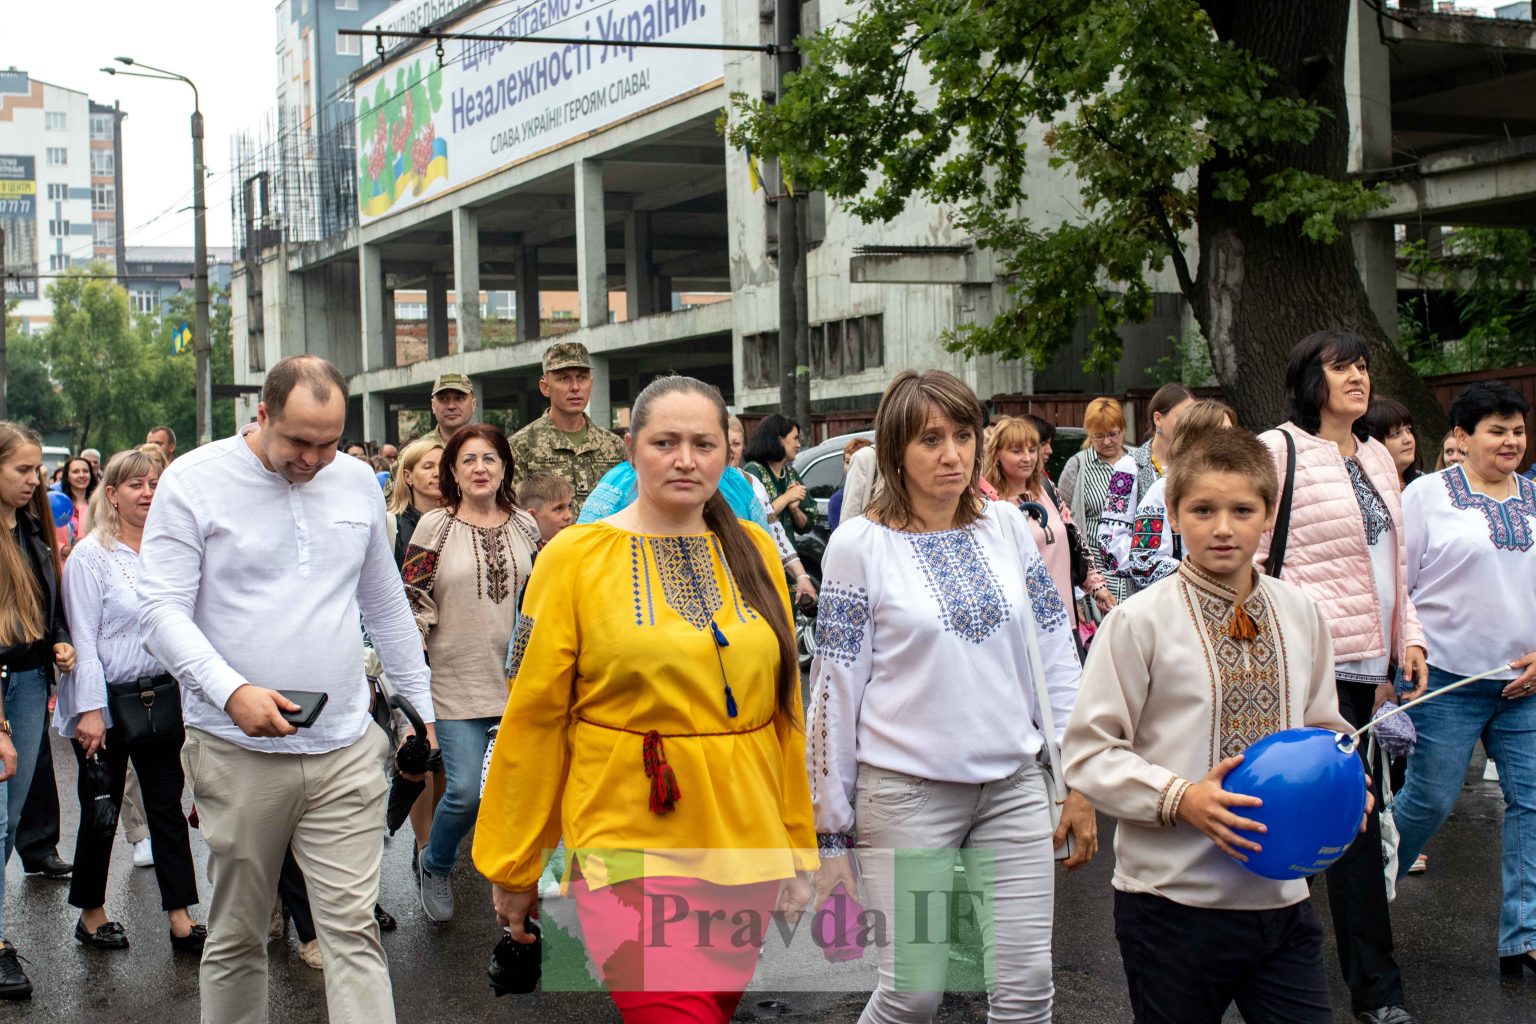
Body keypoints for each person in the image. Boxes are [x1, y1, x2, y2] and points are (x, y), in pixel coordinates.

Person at [476, 374, 814, 1021]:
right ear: (632, 449)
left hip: (745, 839)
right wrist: (514, 864)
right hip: (625, 834)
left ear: (728, 452)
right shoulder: (572, 559)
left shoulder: (757, 554)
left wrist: (796, 845)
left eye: (703, 443)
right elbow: (534, 719)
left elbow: (784, 718)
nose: (686, 459)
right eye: (665, 442)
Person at [139, 355, 437, 1024]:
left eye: (329, 443)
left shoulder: (357, 480)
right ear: (264, 414)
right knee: (241, 934)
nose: (313, 459)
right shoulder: (195, 481)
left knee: (353, 932)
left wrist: (419, 709)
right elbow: (159, 610)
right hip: (235, 751)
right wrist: (230, 690)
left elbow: (385, 601)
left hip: (344, 749)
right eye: (299, 441)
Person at [809, 371, 1094, 1023]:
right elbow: (834, 693)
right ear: (895, 453)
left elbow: (1055, 654)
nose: (951, 454)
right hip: (905, 796)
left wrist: (1076, 780)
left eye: (963, 435)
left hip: (1015, 787)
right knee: (912, 995)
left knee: (1027, 991)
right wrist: (831, 837)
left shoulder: (1007, 526)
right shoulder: (858, 546)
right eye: (930, 439)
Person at [1064, 427, 1355, 1024]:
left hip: (1283, 900)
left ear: (1268, 515)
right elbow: (1090, 752)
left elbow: (1325, 731)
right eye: (1203, 509)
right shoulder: (1138, 623)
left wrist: (1345, 784)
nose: (1223, 527)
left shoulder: (1301, 612)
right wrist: (1182, 798)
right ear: (1173, 513)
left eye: (1242, 509)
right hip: (1171, 903)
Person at [1254, 331, 1427, 1024]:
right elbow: (1253, 558)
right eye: (1342, 367)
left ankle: (1363, 989)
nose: (1358, 376)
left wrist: (1405, 640)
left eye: (1363, 366)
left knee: (1352, 822)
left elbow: (1397, 565)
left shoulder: (1380, 456)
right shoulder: (1278, 449)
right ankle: (1375, 994)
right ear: (1307, 379)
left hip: (1370, 666)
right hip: (1308, 667)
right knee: (1342, 825)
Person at [1391, 381, 1536, 977]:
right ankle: (1366, 889)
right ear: (1461, 437)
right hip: (1446, 679)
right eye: (1496, 431)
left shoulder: (1534, 497)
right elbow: (1400, 582)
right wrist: (1413, 643)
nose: (1511, 442)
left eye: (1518, 431)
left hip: (1522, 686)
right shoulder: (1427, 495)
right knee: (1430, 800)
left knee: (1532, 803)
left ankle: (1523, 936)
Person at [54, 449, 206, 955]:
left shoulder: (170, 549)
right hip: (105, 702)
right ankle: (91, 914)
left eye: (154, 483)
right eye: (135, 484)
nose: (147, 492)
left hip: (160, 695)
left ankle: (181, 915)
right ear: (112, 494)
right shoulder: (90, 556)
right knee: (102, 808)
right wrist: (91, 711)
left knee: (166, 805)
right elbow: (83, 638)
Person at [404, 423, 540, 923]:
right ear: (453, 473)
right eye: (468, 460)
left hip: (518, 684)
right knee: (464, 793)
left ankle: (517, 882)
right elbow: (412, 595)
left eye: (489, 459)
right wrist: (413, 639)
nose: (480, 468)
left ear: (504, 467)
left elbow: (540, 598)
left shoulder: (526, 525)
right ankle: (435, 863)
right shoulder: (432, 527)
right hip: (454, 679)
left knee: (519, 794)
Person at [0, 422, 76, 999]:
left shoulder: (29, 526)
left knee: (10, 816)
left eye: (35, 470)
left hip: (28, 681)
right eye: (22, 470)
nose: (35, 480)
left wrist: (57, 638)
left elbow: (41, 602)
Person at [1100, 400, 1237, 594]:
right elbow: (1131, 555)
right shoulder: (1133, 471)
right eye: (1220, 434)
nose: (1230, 442)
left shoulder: (1241, 487)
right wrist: (1200, 579)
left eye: (1232, 433)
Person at [984, 416, 1111, 620]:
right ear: (997, 454)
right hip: (1022, 621)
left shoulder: (1046, 489)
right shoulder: (988, 503)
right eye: (1017, 451)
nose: (1027, 458)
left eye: (1032, 450)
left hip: (1064, 613)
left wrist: (1096, 587)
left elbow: (1075, 541)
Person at [1092, 385, 1195, 596]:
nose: (1189, 425)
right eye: (1183, 417)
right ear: (1158, 419)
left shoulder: (1196, 467)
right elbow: (1109, 543)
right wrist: (1160, 567)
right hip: (1149, 595)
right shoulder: (1129, 468)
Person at [508, 342, 627, 518]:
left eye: (582, 378)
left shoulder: (614, 446)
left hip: (604, 544)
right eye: (564, 379)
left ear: (591, 383)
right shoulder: (520, 446)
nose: (575, 387)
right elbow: (514, 513)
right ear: (545, 387)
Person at [1057, 397, 1137, 606]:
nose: (1107, 442)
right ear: (1089, 434)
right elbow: (1064, 520)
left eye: (1113, 434)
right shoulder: (1078, 466)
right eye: (1099, 436)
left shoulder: (1140, 462)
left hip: (1137, 573)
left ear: (1123, 430)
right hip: (1097, 578)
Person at [728, 416, 817, 602]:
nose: (730, 450)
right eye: (725, 443)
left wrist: (801, 575)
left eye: (735, 444)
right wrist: (786, 498)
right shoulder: (707, 485)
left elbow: (775, 530)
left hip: (761, 575)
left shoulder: (752, 483)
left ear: (743, 445)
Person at [742, 414, 816, 546]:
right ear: (780, 440)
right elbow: (755, 516)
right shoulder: (753, 471)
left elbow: (807, 525)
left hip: (789, 557)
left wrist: (794, 509)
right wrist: (787, 497)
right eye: (795, 438)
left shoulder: (790, 474)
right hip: (763, 553)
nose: (798, 445)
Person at [387, 438, 444, 569]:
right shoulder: (391, 524)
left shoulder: (460, 522)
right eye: (428, 467)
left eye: (443, 466)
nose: (438, 473)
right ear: (408, 477)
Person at [1362, 398, 1422, 490]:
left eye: (1408, 430)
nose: (1408, 439)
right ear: (1375, 442)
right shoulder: (1367, 490)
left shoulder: (1423, 481)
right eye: (1396, 434)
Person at [516, 472, 576, 545]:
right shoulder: (522, 552)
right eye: (558, 508)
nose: (569, 516)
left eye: (570, 506)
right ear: (531, 516)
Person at [419, 372, 477, 447]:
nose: (451, 406)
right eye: (443, 399)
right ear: (433, 405)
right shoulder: (418, 452)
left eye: (459, 398)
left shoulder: (488, 446)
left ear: (473, 404)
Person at [827, 437, 872, 530]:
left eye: (856, 462)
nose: (851, 467)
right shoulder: (838, 500)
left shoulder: (881, 494)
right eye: (848, 462)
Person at [58, 455, 98, 556]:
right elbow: (46, 535)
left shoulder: (99, 505)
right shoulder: (58, 504)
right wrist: (61, 548)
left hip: (92, 562)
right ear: (67, 476)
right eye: (75, 471)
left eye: (85, 471)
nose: (81, 475)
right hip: (62, 564)